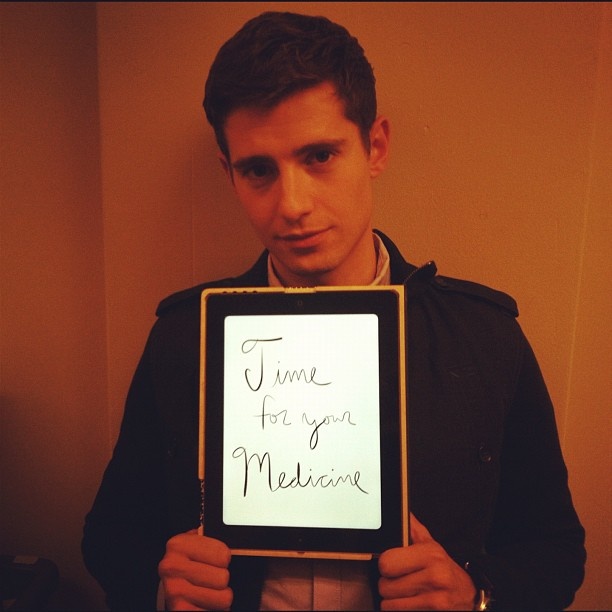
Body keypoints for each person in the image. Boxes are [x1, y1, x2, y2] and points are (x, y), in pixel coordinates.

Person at [82, 11, 586, 611]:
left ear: (375, 146)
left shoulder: (484, 339)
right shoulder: (183, 338)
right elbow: (111, 534)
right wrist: (162, 586)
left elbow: (554, 549)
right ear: (229, 174)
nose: (293, 205)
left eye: (319, 155)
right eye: (259, 170)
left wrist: (476, 595)